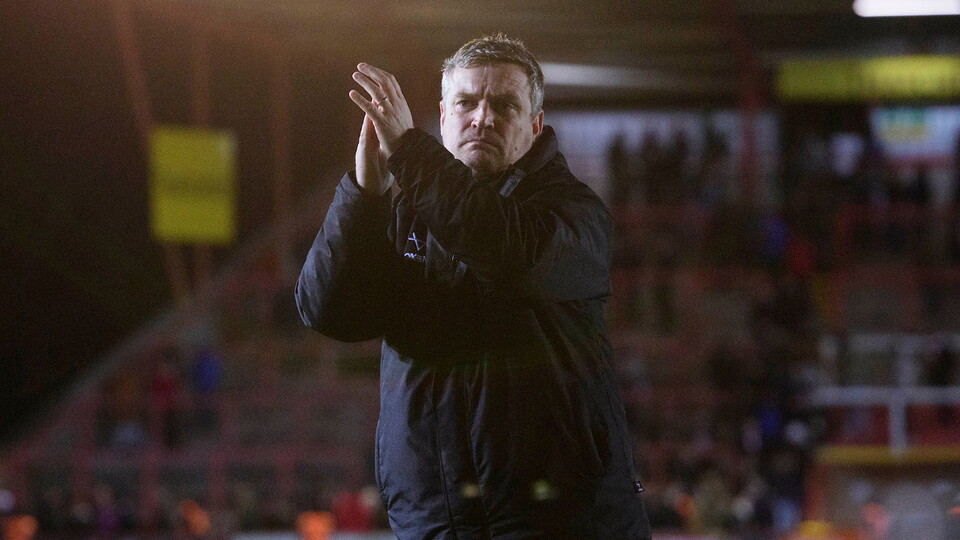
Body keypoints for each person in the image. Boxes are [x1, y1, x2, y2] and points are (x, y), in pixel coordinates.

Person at [296, 34, 651, 539]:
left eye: (503, 104)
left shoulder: (575, 213)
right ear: (442, 118)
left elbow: (502, 249)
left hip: (561, 525)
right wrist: (364, 195)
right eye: (466, 102)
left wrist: (410, 154)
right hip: (437, 525)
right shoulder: (405, 215)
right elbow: (326, 310)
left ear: (535, 125)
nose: (482, 118)